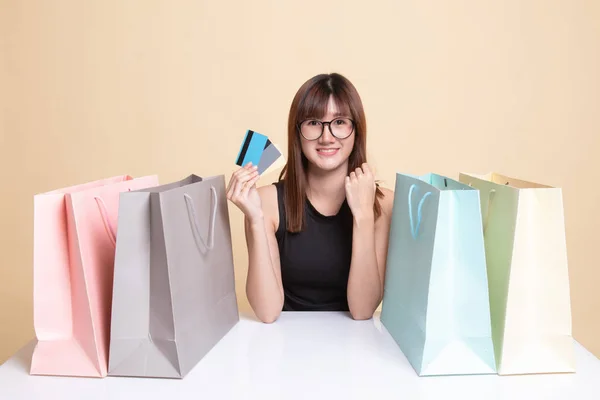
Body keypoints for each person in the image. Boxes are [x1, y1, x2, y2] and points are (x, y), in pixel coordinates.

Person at [226, 73, 394, 323]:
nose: (327, 137)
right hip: (285, 347)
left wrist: (363, 215)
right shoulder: (266, 202)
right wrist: (254, 218)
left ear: (356, 131)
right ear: (298, 133)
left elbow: (363, 310)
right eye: (314, 123)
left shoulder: (383, 204)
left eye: (339, 122)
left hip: (358, 349)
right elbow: (267, 312)